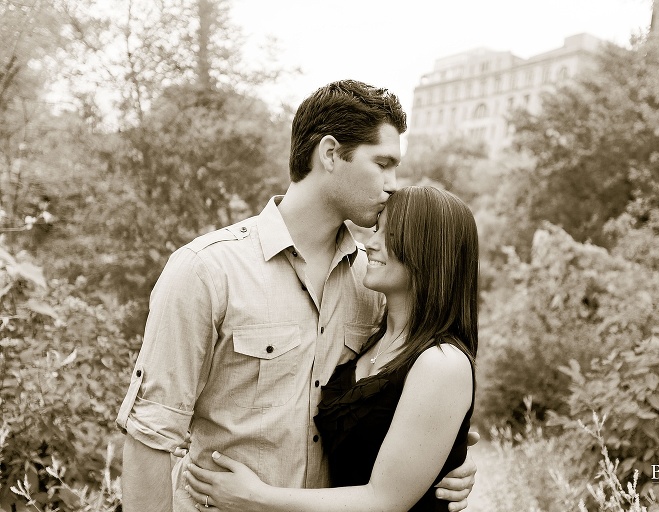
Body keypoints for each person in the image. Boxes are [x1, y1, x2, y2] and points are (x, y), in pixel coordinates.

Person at [116, 80, 477, 512]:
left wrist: (443, 461)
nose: (393, 185)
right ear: (329, 153)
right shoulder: (207, 270)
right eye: (382, 163)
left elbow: (397, 412)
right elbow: (150, 435)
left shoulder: (374, 284)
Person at [184, 185, 478, 512]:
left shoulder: (442, 363)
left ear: (432, 251)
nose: (371, 242)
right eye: (377, 229)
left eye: (390, 234)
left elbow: (385, 501)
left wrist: (253, 497)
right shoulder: (375, 338)